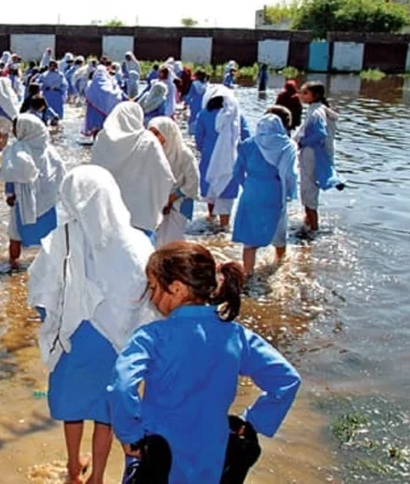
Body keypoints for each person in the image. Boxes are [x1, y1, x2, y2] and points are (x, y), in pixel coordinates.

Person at [110, 241, 301, 484]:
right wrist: (252, 422)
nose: (151, 297)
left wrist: (130, 436)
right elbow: (286, 380)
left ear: (177, 288)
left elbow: (122, 386)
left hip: (158, 458)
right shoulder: (236, 335)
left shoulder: (152, 337)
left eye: (154, 287)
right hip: (212, 456)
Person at [27, 165, 160, 484]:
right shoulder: (136, 242)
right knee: (107, 412)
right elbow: (146, 295)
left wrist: (55, 322)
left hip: (74, 339)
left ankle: (74, 467)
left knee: (72, 406)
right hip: (117, 342)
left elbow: (41, 288)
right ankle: (97, 475)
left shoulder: (61, 238)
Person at [91, 102, 174, 244]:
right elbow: (164, 175)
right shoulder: (148, 140)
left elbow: (94, 173)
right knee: (142, 258)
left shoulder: (102, 139)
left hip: (108, 210)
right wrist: (160, 202)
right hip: (141, 211)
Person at [232, 114, 298, 278]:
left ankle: (248, 274)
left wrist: (247, 186)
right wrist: (290, 193)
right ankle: (280, 265)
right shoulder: (287, 145)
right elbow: (291, 174)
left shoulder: (248, 144)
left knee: (249, 238)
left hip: (251, 192)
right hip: (274, 191)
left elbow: (237, 171)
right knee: (279, 230)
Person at [0, 114, 66, 269]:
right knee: (48, 234)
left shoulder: (17, 150)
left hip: (22, 201)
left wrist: (9, 194)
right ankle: (50, 266)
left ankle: (13, 265)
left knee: (15, 234)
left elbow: (11, 174)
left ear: (25, 130)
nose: (14, 131)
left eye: (16, 127)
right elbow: (60, 174)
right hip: (47, 201)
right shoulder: (50, 151)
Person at [195, 86, 250, 229]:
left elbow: (199, 137)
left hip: (209, 156)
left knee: (211, 185)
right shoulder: (236, 115)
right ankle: (224, 226)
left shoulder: (204, 114)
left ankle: (211, 217)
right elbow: (246, 137)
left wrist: (203, 150)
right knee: (226, 190)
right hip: (230, 158)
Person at [294, 82, 344, 232]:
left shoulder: (316, 112)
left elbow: (320, 133)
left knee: (309, 190)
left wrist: (302, 143)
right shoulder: (319, 109)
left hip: (312, 155)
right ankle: (308, 221)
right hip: (316, 155)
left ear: (315, 96)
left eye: (305, 93)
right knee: (309, 189)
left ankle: (313, 229)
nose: (301, 96)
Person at [149, 117, 200, 246]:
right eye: (151, 133)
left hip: (180, 203)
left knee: (173, 242)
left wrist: (173, 197)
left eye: (157, 133)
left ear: (168, 133)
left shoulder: (184, 154)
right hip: (158, 203)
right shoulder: (152, 153)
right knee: (156, 242)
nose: (154, 138)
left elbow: (193, 182)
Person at [83, 66, 124, 137]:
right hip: (106, 111)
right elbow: (116, 94)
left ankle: (95, 143)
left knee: (96, 128)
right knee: (105, 128)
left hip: (94, 112)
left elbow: (87, 96)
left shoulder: (91, 84)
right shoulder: (109, 83)